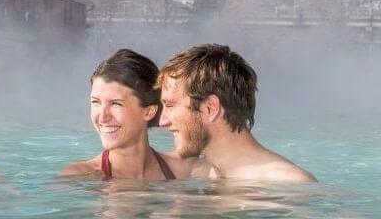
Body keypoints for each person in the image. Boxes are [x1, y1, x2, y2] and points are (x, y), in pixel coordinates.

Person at [158, 43, 317, 182]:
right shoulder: (203, 174)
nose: (162, 121)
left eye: (170, 105)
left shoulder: (287, 185)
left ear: (211, 108)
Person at [61, 48, 202, 180]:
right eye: (96, 102)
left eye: (116, 103)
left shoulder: (185, 170)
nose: (103, 117)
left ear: (148, 112)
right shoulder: (79, 177)